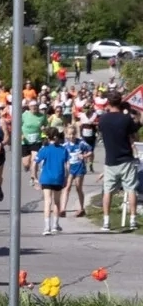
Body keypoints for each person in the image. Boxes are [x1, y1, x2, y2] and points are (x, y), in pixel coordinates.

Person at [97, 91, 140, 232]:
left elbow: (101, 131)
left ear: (108, 102)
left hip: (111, 159)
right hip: (126, 158)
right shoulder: (126, 119)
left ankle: (106, 221)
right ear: (120, 102)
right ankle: (133, 220)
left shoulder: (103, 119)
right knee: (131, 189)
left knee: (108, 191)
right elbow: (135, 130)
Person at [33, 128, 68, 235]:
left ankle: (46, 227)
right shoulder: (63, 150)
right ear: (57, 137)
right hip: (58, 178)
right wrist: (66, 178)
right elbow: (67, 166)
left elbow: (34, 163)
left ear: (48, 138)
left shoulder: (44, 149)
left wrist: (34, 177)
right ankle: (55, 225)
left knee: (47, 202)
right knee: (56, 202)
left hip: (46, 178)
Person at [59, 125, 93, 218]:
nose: (72, 136)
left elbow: (90, 151)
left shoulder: (81, 143)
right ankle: (63, 209)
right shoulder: (65, 145)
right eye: (69, 134)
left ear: (76, 134)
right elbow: (62, 157)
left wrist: (84, 156)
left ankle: (81, 208)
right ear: (66, 134)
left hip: (79, 168)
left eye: (73, 134)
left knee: (78, 188)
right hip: (70, 169)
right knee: (67, 187)